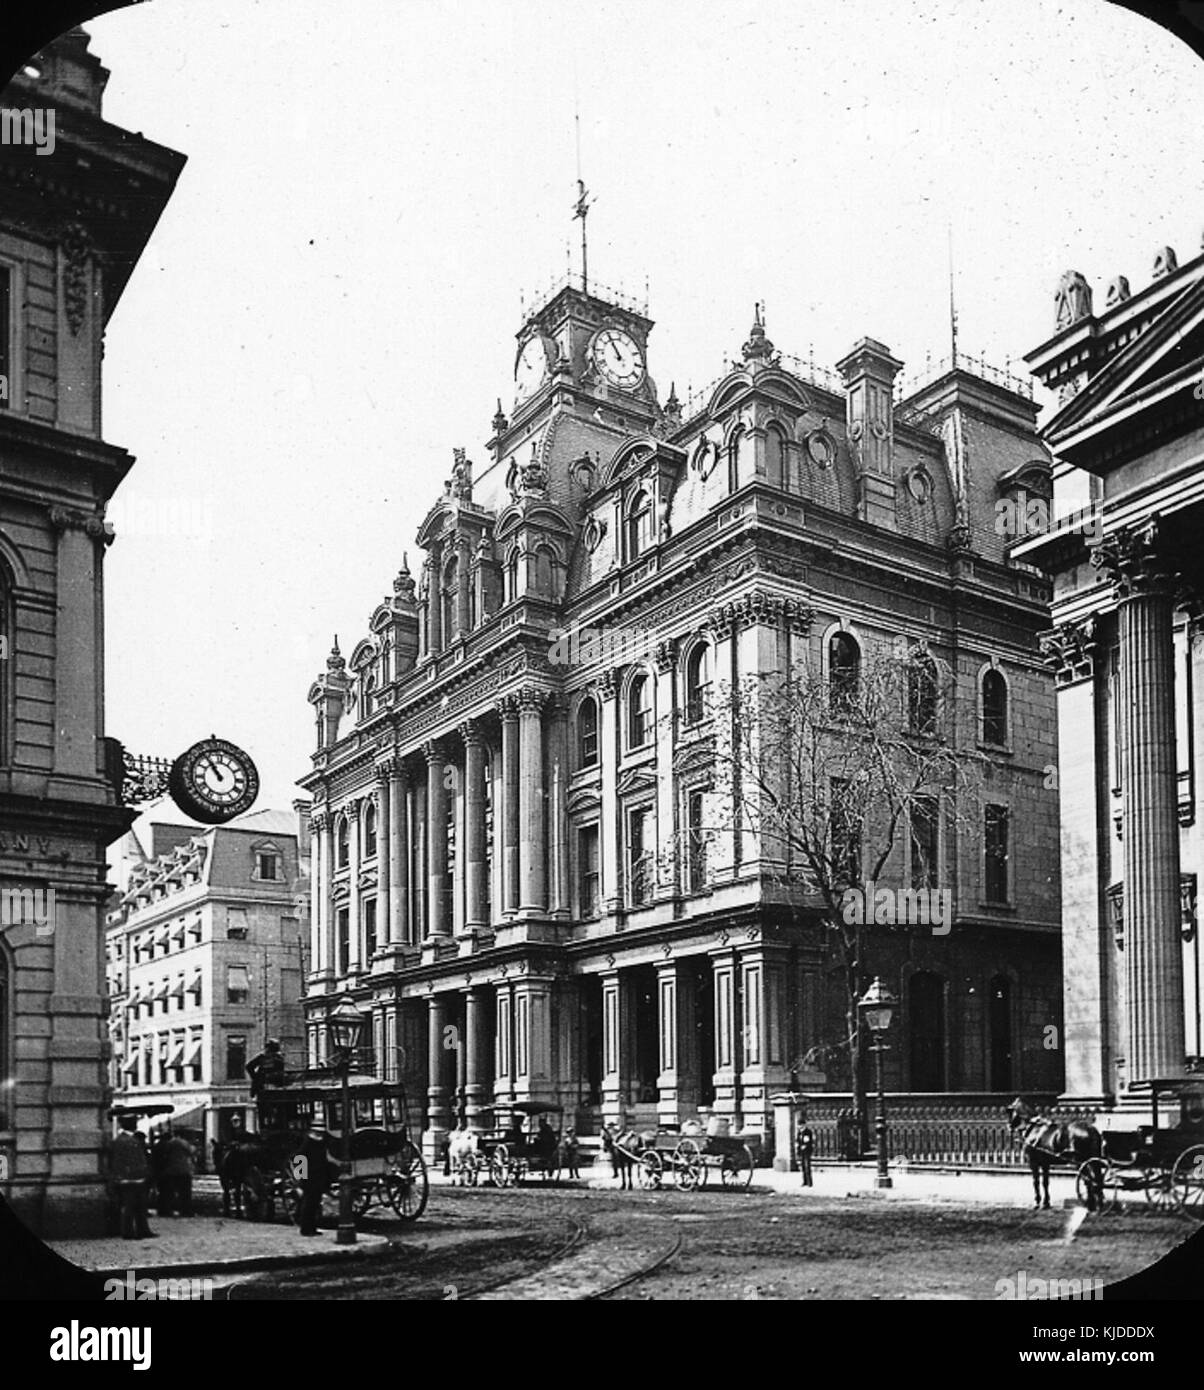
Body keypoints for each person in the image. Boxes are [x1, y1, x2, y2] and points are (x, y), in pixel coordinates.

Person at [110, 1117, 155, 1240]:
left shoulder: (125, 1139)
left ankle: (142, 1230)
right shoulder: (125, 1140)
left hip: (135, 1177)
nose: (135, 1124)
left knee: (140, 1206)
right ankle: (129, 1232)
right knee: (130, 1206)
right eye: (133, 1123)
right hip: (130, 1178)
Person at [295, 1123, 335, 1237]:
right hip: (310, 1177)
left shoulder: (319, 1143)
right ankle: (306, 1228)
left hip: (317, 1176)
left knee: (314, 1203)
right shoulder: (308, 1144)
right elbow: (299, 1159)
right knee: (309, 1203)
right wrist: (300, 1179)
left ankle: (311, 1227)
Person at [158, 1128, 196, 1216]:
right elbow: (191, 1151)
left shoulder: (170, 1143)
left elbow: (165, 1154)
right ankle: (186, 1210)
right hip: (184, 1170)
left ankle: (167, 1210)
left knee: (169, 1192)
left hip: (170, 1170)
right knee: (185, 1192)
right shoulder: (184, 1143)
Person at [796, 1113, 814, 1188]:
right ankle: (804, 1181)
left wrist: (805, 1146)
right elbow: (798, 1140)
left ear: (804, 1125)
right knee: (803, 1166)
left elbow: (808, 1141)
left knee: (807, 1166)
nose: (799, 1126)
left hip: (807, 1151)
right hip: (802, 1151)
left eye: (800, 1125)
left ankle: (809, 1182)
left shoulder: (808, 1132)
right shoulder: (799, 1132)